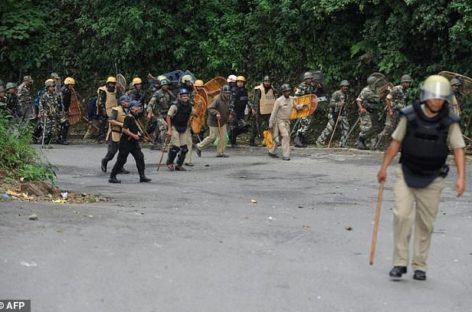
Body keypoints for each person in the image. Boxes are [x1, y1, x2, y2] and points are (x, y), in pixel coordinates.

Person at [377, 75, 466, 281]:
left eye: (441, 98)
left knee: (426, 222)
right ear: (426, 97)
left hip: (434, 176)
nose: (437, 101)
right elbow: (395, 142)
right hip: (407, 172)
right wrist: (384, 167)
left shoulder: (449, 121)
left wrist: (461, 178)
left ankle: (420, 265)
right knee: (402, 216)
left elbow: (459, 149)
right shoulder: (410, 116)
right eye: (433, 97)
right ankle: (399, 263)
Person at [108, 100, 151, 183]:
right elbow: (124, 130)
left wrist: (140, 136)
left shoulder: (135, 117)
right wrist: (134, 135)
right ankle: (112, 176)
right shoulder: (128, 117)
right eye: (137, 107)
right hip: (125, 143)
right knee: (121, 160)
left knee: (140, 157)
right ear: (132, 108)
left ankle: (142, 176)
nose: (139, 108)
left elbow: (135, 129)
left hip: (133, 143)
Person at [375, 75, 412, 149]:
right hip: (393, 111)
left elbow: (403, 102)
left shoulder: (407, 91)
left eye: (409, 83)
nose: (408, 84)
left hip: (400, 112)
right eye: (406, 82)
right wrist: (390, 110)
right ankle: (378, 143)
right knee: (388, 128)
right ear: (402, 82)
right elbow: (388, 98)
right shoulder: (397, 89)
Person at [268, 84, 303, 160]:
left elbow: (296, 107)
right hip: (279, 121)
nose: (288, 92)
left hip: (287, 121)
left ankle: (271, 151)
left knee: (281, 137)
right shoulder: (278, 100)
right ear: (283, 92)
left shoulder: (292, 99)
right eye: (286, 91)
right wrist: (270, 123)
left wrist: (302, 106)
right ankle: (286, 155)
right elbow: (273, 112)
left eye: (289, 91)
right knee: (285, 136)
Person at [196, 85, 232, 157]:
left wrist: (230, 114)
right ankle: (199, 146)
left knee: (223, 137)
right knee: (212, 137)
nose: (227, 94)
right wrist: (216, 113)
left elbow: (229, 108)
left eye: (228, 93)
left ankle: (220, 152)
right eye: (226, 92)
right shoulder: (217, 99)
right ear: (222, 92)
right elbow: (210, 108)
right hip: (214, 122)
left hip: (222, 121)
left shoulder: (228, 99)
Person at [165, 88, 195, 171]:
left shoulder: (190, 106)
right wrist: (169, 129)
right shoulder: (175, 106)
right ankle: (170, 162)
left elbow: (195, 113)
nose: (185, 97)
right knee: (176, 147)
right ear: (180, 97)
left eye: (186, 96)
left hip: (184, 128)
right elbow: (168, 116)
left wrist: (199, 106)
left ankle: (178, 165)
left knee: (184, 149)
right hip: (174, 127)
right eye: (183, 96)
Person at [316, 80, 351, 147]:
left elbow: (345, 106)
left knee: (346, 128)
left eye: (347, 86)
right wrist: (338, 104)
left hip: (342, 114)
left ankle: (343, 143)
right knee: (329, 128)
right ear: (341, 87)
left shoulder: (346, 95)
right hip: (334, 114)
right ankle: (319, 141)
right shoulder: (336, 94)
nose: (346, 88)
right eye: (344, 86)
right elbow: (331, 103)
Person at [101, 95, 131, 173]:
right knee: (112, 152)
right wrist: (121, 124)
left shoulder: (128, 111)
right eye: (126, 101)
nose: (127, 103)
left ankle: (120, 167)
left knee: (123, 153)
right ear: (121, 102)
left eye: (128, 101)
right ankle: (105, 161)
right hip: (115, 133)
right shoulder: (116, 110)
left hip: (125, 134)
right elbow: (111, 120)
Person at [147, 78, 175, 150]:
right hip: (158, 114)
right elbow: (150, 104)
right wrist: (150, 112)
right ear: (161, 86)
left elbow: (173, 102)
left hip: (167, 114)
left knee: (159, 129)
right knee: (163, 127)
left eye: (166, 85)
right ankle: (164, 145)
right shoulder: (157, 93)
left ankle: (154, 142)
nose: (165, 86)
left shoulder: (169, 93)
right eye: (164, 85)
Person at [356, 75, 382, 150]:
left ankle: (372, 144)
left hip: (375, 110)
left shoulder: (378, 89)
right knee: (367, 127)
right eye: (376, 82)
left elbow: (379, 98)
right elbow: (358, 100)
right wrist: (361, 108)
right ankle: (361, 139)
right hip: (366, 111)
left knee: (375, 127)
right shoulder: (365, 90)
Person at [250, 76, 276, 146]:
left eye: (268, 82)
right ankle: (252, 141)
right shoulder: (259, 89)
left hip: (269, 111)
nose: (267, 83)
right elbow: (256, 100)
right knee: (256, 126)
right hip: (259, 111)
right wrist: (255, 110)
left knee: (268, 127)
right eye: (266, 81)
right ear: (263, 82)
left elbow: (274, 98)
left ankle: (266, 141)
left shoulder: (272, 89)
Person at [39, 79, 63, 144]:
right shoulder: (44, 96)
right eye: (51, 86)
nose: (53, 88)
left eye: (53, 86)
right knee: (47, 130)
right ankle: (43, 141)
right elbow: (41, 105)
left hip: (54, 114)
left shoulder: (56, 95)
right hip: (47, 115)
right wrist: (43, 113)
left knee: (53, 130)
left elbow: (59, 105)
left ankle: (49, 142)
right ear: (48, 87)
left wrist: (60, 113)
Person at [229, 75, 249, 147]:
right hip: (235, 111)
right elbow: (232, 101)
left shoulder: (245, 90)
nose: (240, 83)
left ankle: (231, 136)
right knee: (234, 127)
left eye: (241, 82)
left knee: (244, 127)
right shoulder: (234, 90)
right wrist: (231, 111)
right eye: (238, 82)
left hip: (242, 111)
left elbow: (247, 100)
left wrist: (252, 108)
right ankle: (233, 142)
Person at [97, 76, 118, 142]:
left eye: (113, 83)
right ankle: (101, 138)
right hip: (104, 109)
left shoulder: (115, 90)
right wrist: (103, 110)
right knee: (102, 123)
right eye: (110, 83)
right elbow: (101, 101)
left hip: (113, 109)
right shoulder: (103, 90)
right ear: (107, 84)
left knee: (112, 124)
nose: (112, 85)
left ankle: (110, 137)